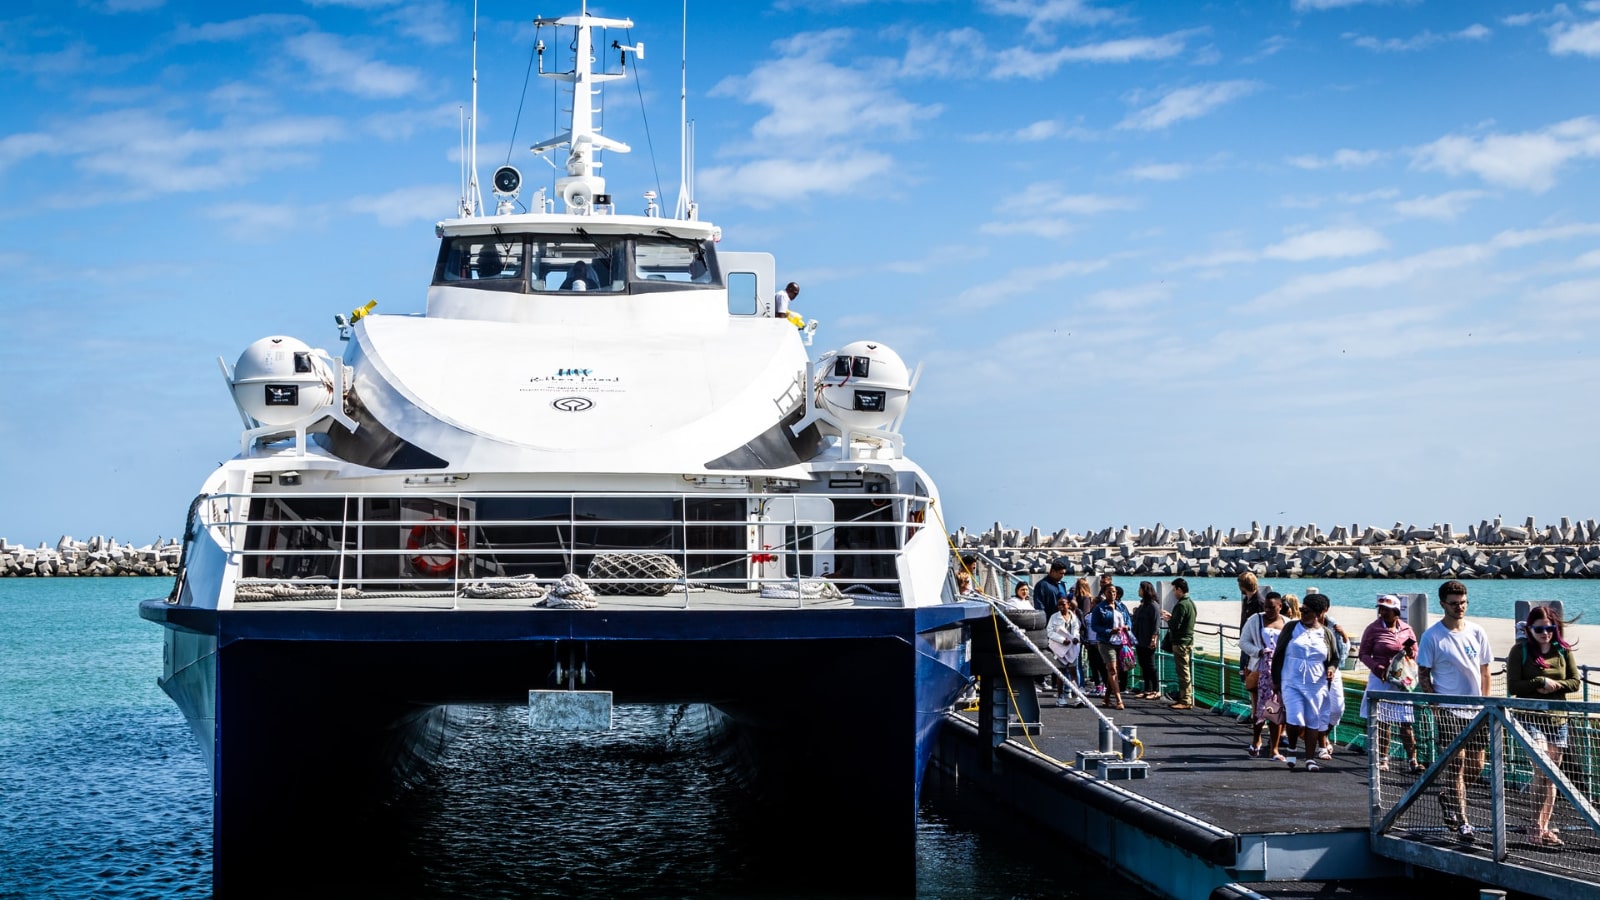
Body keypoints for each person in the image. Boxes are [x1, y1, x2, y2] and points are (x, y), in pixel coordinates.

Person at [1416, 580, 1493, 844]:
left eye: (1463, 602)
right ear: (1443, 604)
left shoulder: (1477, 631)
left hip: (1477, 710)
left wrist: (1486, 702)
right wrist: (1435, 703)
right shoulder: (1432, 636)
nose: (1459, 607)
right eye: (1454, 603)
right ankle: (1463, 823)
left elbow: (1485, 669)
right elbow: (1423, 672)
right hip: (1449, 709)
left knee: (1477, 764)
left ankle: (1448, 797)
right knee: (1456, 765)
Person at [1506, 605, 1579, 848]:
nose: (1545, 633)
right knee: (1542, 768)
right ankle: (1536, 827)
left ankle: (1543, 826)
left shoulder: (1562, 651)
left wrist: (1556, 685)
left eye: (1550, 628)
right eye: (1540, 629)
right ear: (1530, 629)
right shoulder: (1521, 650)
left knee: (1551, 777)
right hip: (1530, 718)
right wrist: (1538, 681)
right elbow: (1514, 686)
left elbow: (1575, 682)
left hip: (1558, 720)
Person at [1270, 592, 1340, 771]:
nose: (1303, 613)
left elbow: (1334, 658)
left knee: (1313, 720)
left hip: (1316, 683)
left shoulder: (1326, 634)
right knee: (1294, 718)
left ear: (1319, 613)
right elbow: (1277, 655)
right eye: (1302, 609)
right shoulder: (1291, 628)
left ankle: (1310, 759)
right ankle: (1292, 750)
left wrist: (1331, 670)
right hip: (1291, 680)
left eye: (1307, 611)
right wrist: (1276, 680)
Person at [1359, 595, 1419, 772]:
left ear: (1396, 612)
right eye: (1380, 608)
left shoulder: (1407, 629)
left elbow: (1416, 652)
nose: (1382, 612)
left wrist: (1410, 653)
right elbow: (1363, 654)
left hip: (1402, 680)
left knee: (1406, 722)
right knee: (1383, 721)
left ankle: (1413, 760)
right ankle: (1383, 759)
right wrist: (1377, 668)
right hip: (1381, 680)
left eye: (1386, 609)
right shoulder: (1373, 629)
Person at [1239, 591, 1286, 757]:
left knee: (1275, 708)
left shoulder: (1287, 623)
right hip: (1260, 670)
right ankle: (1256, 739)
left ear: (1280, 606)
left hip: (1280, 671)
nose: (1268, 610)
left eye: (1272, 607)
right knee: (1260, 708)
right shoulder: (1255, 620)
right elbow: (1243, 642)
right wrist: (1259, 652)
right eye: (1266, 607)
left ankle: (1274, 748)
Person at [1089, 584, 1133, 710]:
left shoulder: (1121, 606)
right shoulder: (1099, 608)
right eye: (1109, 592)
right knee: (1112, 669)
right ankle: (1119, 700)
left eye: (1114, 592)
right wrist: (1109, 631)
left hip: (1121, 642)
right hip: (1106, 642)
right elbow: (1095, 626)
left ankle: (1106, 699)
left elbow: (1128, 620)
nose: (1112, 594)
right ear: (1104, 593)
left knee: (1115, 670)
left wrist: (1127, 627)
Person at [1163, 577, 1197, 709]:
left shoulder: (1182, 604)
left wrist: (1168, 619)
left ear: (1179, 589)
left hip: (1181, 642)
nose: (1173, 593)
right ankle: (1185, 698)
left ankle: (1185, 700)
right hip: (1188, 640)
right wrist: (1172, 617)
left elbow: (1176, 625)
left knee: (1183, 672)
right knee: (1185, 670)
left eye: (1174, 590)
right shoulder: (1190, 603)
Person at [1047, 595, 1084, 708]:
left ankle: (1077, 695)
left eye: (1063, 604)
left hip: (1072, 647)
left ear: (1068, 605)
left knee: (1073, 671)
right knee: (1061, 673)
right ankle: (1060, 696)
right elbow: (1050, 632)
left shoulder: (1074, 617)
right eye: (1059, 605)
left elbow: (1077, 630)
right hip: (1060, 648)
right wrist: (1062, 640)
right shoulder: (1054, 617)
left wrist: (1076, 638)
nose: (1061, 606)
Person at [1083, 574, 1116, 697]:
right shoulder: (1088, 616)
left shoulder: (1103, 612)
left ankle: (1106, 687)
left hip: (1100, 642)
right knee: (1094, 665)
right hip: (1091, 643)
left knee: (1103, 665)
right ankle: (1099, 686)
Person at [1132, 581, 1163, 700]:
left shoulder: (1153, 605)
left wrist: (1154, 638)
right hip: (1140, 639)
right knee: (1143, 664)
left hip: (1148, 639)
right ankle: (1147, 689)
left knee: (1150, 665)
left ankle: (1155, 689)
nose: (1138, 591)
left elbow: (1156, 623)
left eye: (1140, 589)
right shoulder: (1142, 605)